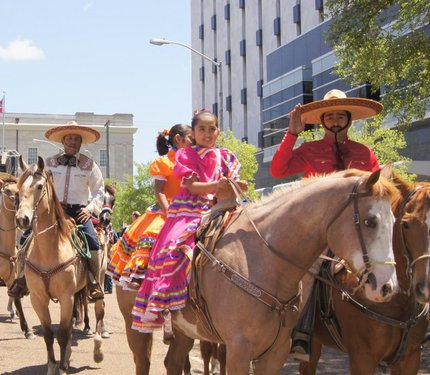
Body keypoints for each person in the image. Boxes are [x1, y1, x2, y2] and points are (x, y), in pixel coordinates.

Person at [270, 89, 383, 362]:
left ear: (348, 119)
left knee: (390, 259)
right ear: (322, 121)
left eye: (339, 115)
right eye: (329, 115)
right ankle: (302, 334)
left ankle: (410, 325)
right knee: (308, 272)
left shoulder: (364, 152)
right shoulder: (309, 149)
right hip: (319, 232)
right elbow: (277, 170)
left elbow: (378, 188)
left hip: (357, 230)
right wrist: (292, 134)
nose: (334, 120)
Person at [131, 111, 245, 333]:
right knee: (174, 246)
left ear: (218, 131)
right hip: (190, 208)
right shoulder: (185, 155)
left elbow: (232, 182)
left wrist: (237, 185)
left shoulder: (226, 156)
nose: (208, 133)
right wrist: (217, 185)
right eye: (202, 129)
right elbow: (192, 187)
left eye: (212, 129)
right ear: (193, 132)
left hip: (221, 204)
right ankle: (167, 304)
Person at [9, 121, 106, 300]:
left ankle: (93, 283)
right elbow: (36, 184)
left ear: (81, 142)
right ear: (63, 140)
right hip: (54, 211)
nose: (73, 141)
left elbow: (100, 191)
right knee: (24, 239)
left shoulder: (90, 165)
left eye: (76, 138)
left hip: (79, 212)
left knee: (92, 242)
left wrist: (90, 209)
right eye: (69, 138)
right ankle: (20, 279)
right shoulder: (49, 163)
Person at [107, 124, 192, 292]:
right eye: (192, 139)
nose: (195, 143)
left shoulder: (195, 161)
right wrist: (170, 213)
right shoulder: (164, 162)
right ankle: (139, 274)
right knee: (152, 234)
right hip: (168, 208)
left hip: (192, 207)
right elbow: (159, 192)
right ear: (178, 140)